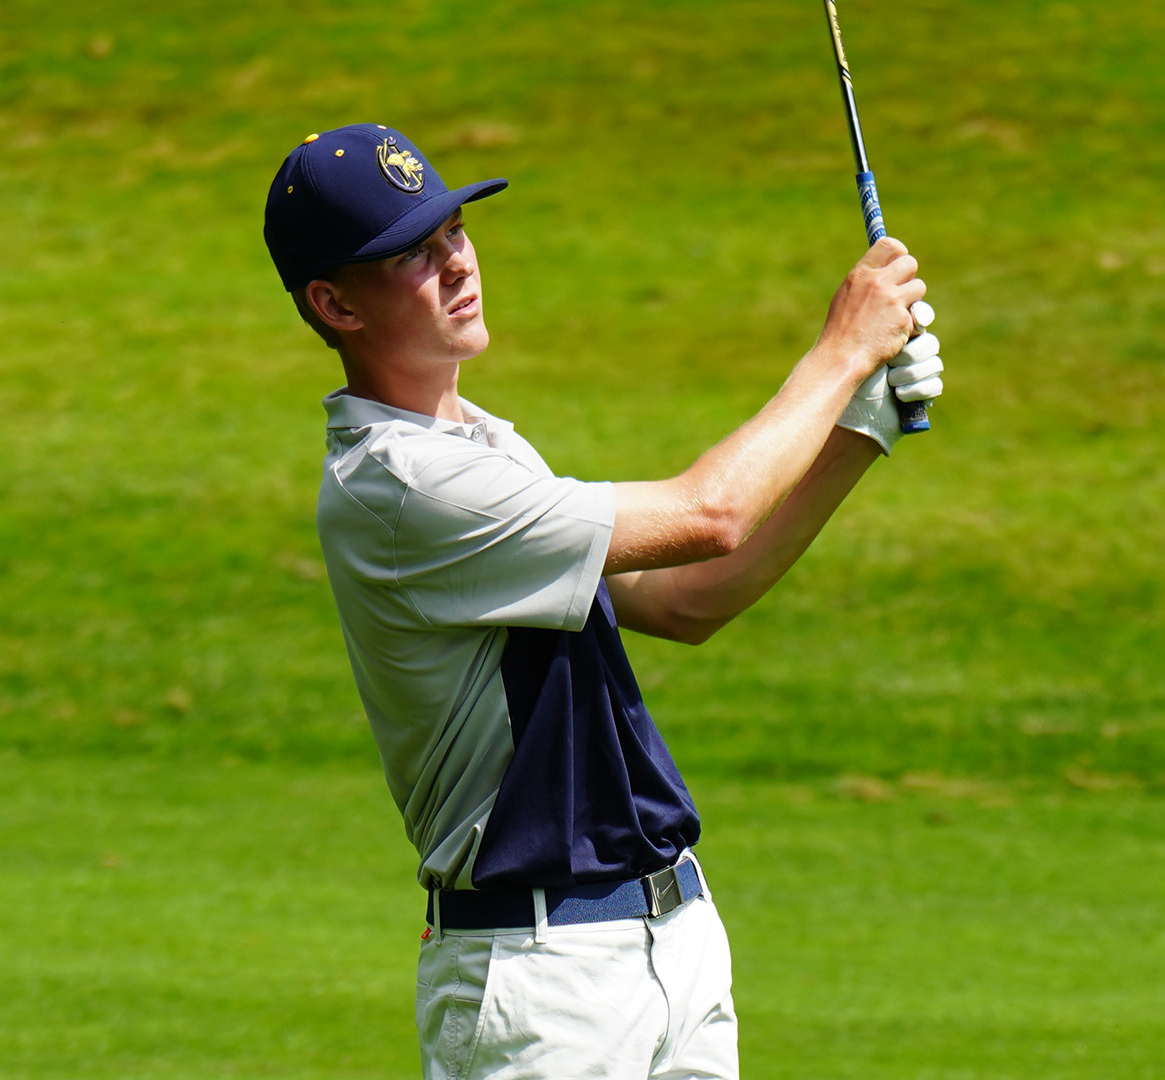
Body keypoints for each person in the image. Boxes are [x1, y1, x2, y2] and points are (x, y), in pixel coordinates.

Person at [262, 123, 943, 1080]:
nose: (456, 262)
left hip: (668, 945)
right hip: (543, 977)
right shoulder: (404, 486)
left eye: (453, 230)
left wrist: (860, 428)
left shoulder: (486, 450)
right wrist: (841, 352)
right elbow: (711, 514)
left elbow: (690, 599)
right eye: (412, 254)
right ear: (334, 303)